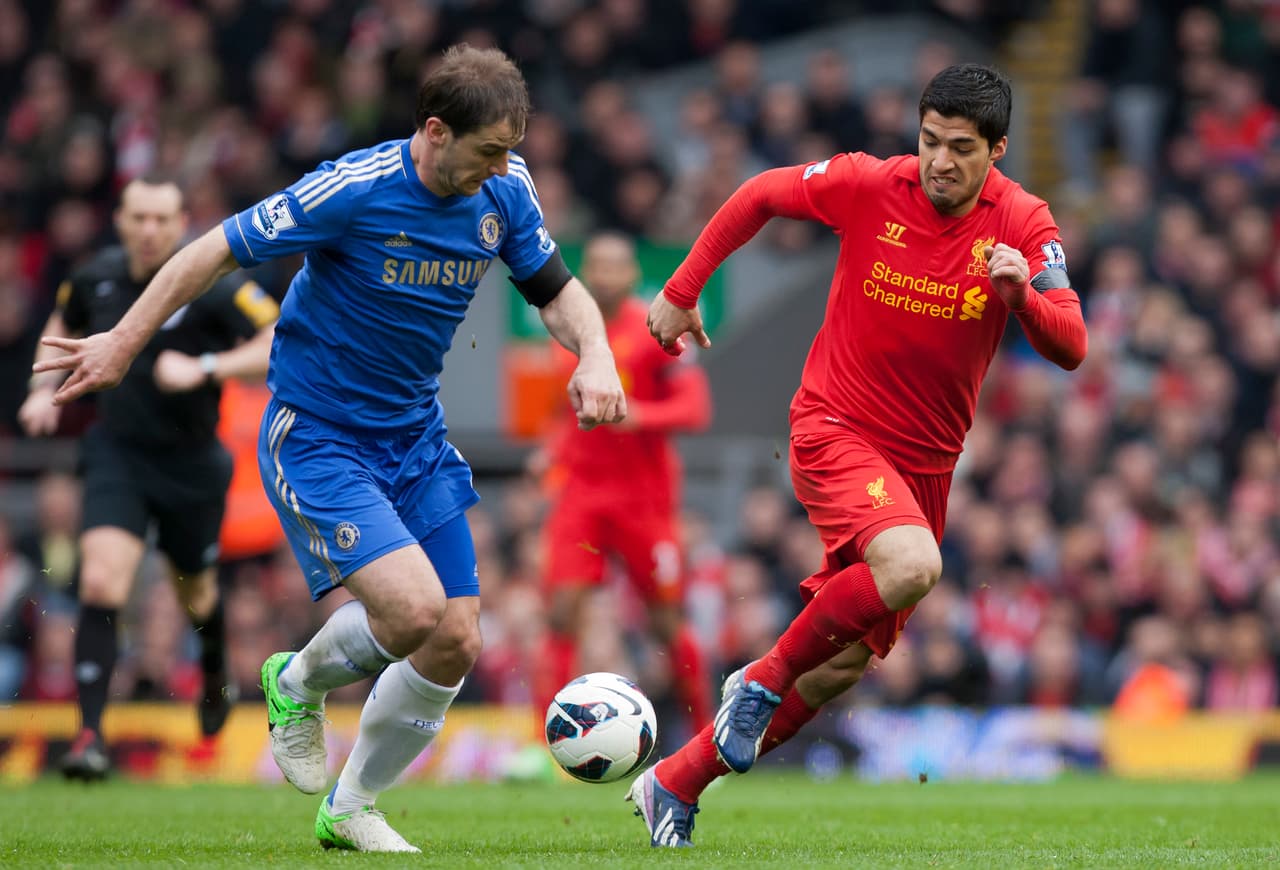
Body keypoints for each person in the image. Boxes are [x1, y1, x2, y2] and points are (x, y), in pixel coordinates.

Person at [36, 44, 626, 852]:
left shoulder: (506, 188)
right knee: (414, 610)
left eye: (508, 151)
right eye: (487, 150)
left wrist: (594, 353)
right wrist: (127, 344)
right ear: (434, 131)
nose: (500, 168)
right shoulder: (354, 189)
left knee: (456, 640)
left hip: (414, 434)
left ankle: (350, 806)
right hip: (318, 435)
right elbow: (213, 248)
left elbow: (557, 291)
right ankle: (296, 680)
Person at [630, 63, 1088, 847]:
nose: (940, 161)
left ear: (998, 150)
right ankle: (757, 683)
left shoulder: (1023, 221)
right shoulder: (869, 185)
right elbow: (757, 196)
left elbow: (1073, 345)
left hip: (925, 469)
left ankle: (674, 781)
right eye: (930, 141)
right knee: (912, 566)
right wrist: (680, 288)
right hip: (835, 428)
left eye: (962, 148)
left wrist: (1024, 301)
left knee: (838, 667)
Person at [18, 175, 279, 780]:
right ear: (121, 221)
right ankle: (89, 736)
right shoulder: (95, 276)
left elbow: (277, 341)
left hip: (191, 463)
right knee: (103, 582)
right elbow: (60, 326)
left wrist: (206, 366)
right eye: (139, 218)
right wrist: (39, 391)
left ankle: (214, 672)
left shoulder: (213, 283)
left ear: (181, 220)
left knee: (197, 594)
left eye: (163, 220)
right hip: (119, 453)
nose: (150, 230)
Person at [535, 231, 713, 740]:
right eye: (597, 266)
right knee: (560, 612)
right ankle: (539, 750)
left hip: (645, 501)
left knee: (665, 623)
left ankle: (705, 739)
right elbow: (565, 414)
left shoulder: (657, 330)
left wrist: (641, 415)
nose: (606, 276)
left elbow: (696, 408)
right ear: (586, 272)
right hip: (582, 496)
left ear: (633, 275)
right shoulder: (571, 335)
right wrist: (550, 455)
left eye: (616, 267)